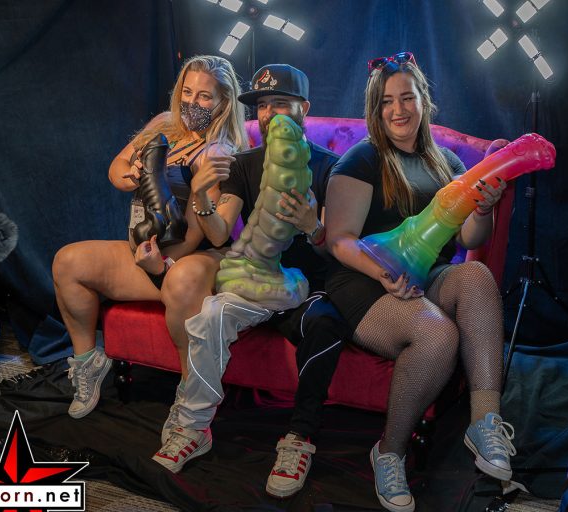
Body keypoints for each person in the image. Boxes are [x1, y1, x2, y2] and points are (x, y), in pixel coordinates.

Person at [324, 52, 516, 512]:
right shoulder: (363, 158)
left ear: (423, 100)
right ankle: (389, 453)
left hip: (426, 279)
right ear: (376, 109)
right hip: (365, 281)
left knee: (476, 274)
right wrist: (384, 273)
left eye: (407, 97)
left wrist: (483, 207)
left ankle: (484, 423)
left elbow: (471, 240)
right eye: (387, 101)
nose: (398, 109)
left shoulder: (446, 162)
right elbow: (339, 240)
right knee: (437, 334)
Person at [151, 64, 349, 499]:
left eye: (281, 103)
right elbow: (219, 232)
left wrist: (313, 227)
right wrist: (201, 197)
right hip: (256, 278)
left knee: (324, 324)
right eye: (262, 105)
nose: (270, 113)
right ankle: (194, 428)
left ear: (304, 108)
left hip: (308, 285)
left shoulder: (331, 167)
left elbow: (340, 249)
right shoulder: (244, 164)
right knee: (211, 313)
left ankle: (298, 440)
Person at [52, 55, 246, 426]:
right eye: (187, 92)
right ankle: (88, 363)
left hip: (191, 257)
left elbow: (195, 235)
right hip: (144, 247)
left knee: (181, 278)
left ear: (224, 101)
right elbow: (117, 168)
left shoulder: (217, 152)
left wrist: (161, 265)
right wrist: (132, 173)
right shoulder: (163, 124)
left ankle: (191, 393)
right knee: (68, 261)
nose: (192, 103)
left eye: (204, 96)